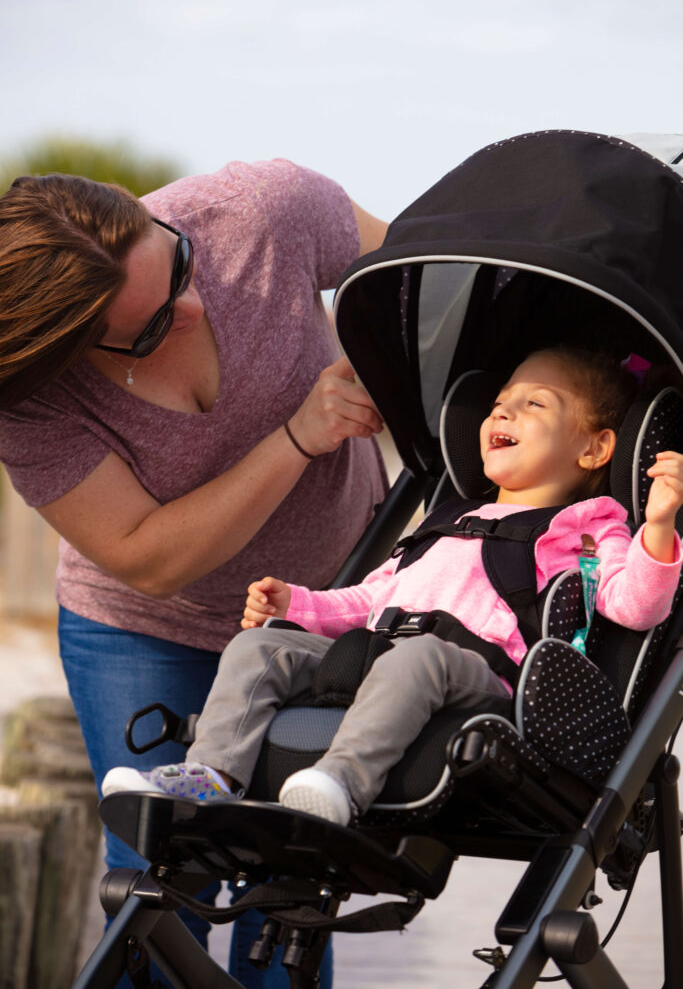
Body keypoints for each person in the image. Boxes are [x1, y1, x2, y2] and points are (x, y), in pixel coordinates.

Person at [0, 160, 389, 987]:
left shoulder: (263, 210)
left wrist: (399, 368)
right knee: (163, 879)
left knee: (292, 877)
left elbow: (423, 284)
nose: (194, 308)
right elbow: (147, 555)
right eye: (147, 329)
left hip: (318, 615)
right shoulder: (29, 400)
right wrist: (295, 437)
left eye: (176, 266)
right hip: (148, 632)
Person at [103, 345, 683, 827]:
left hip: (477, 674)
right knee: (259, 646)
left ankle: (339, 781)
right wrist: (296, 604)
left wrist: (656, 527)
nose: (502, 415)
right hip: (379, 652)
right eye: (499, 404)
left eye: (533, 404)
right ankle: (211, 775)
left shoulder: (586, 527)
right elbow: (370, 599)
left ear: (594, 448)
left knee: (421, 658)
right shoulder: (445, 520)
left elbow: (632, 606)